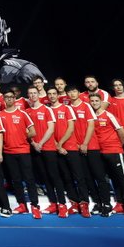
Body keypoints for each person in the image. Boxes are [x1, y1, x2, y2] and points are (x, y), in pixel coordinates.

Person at [89, 93, 124, 218]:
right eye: (92, 101)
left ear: (100, 102)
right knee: (113, 179)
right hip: (100, 153)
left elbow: (122, 133)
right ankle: (120, 204)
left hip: (114, 151)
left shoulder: (109, 115)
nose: (94, 103)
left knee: (123, 178)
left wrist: (117, 147)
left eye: (96, 101)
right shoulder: (91, 118)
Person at [67, 85, 111, 216]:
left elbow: (91, 125)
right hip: (77, 148)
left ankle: (106, 204)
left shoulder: (86, 106)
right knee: (87, 178)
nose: (72, 94)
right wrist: (78, 145)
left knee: (99, 176)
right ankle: (97, 202)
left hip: (91, 146)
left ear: (78, 93)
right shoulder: (68, 108)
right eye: (70, 92)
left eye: (74, 91)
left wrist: (85, 143)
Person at [48, 86, 90, 218]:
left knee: (79, 176)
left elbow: (71, 128)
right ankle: (74, 203)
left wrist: (60, 143)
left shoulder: (67, 108)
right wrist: (57, 145)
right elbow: (48, 130)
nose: (52, 96)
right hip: (56, 149)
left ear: (58, 95)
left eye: (54, 93)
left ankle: (84, 204)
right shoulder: (48, 110)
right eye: (49, 94)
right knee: (66, 177)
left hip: (70, 147)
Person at [25, 86, 67, 217]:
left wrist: (41, 143)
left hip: (48, 147)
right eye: (30, 93)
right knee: (45, 177)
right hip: (35, 149)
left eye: (34, 93)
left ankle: (62, 205)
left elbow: (51, 129)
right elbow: (26, 132)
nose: (32, 95)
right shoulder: (27, 112)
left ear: (39, 95)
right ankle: (53, 203)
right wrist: (33, 143)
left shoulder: (47, 109)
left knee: (54, 175)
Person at [0, 92, 41, 218]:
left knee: (29, 179)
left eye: (11, 97)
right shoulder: (0, 115)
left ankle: (35, 205)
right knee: (16, 180)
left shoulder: (22, 114)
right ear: (4, 99)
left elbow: (32, 132)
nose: (9, 99)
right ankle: (22, 204)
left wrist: (22, 136)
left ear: (15, 99)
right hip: (8, 152)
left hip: (23, 151)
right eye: (7, 97)